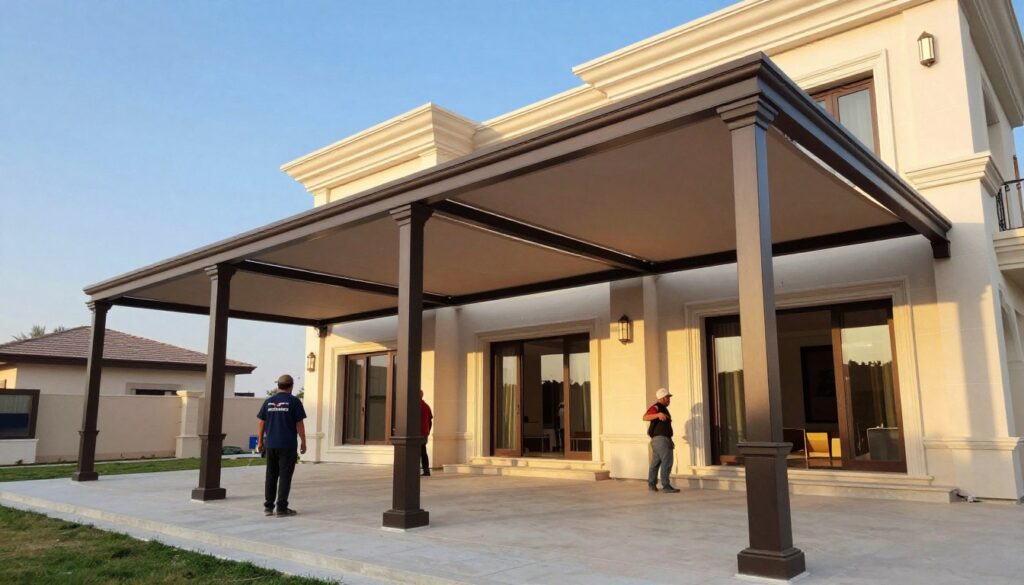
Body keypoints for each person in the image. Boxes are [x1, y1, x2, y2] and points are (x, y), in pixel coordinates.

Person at [256, 374, 307, 516]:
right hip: (287, 445)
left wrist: (260, 441)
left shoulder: (269, 402)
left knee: (271, 475)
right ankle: (281, 508)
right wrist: (303, 441)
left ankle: (268, 507)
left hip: (271, 444)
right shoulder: (294, 401)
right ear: (291, 386)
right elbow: (299, 424)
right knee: (285, 476)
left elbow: (262, 423)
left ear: (278, 385)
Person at [643, 388, 679, 493]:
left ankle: (652, 484)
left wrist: (669, 439)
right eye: (668, 398)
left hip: (661, 439)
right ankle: (666, 486)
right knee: (667, 461)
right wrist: (658, 414)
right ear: (662, 398)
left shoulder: (662, 408)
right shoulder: (657, 407)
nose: (669, 400)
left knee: (655, 462)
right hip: (661, 439)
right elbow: (645, 417)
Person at [420, 390, 433, 476]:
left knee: (415, 452)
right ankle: (426, 470)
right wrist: (428, 431)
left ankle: (413, 470)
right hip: (424, 432)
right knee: (423, 452)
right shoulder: (426, 406)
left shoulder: (414, 406)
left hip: (417, 433)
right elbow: (430, 421)